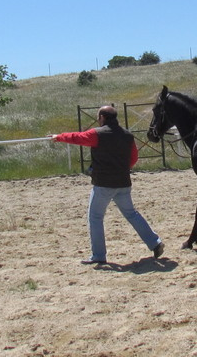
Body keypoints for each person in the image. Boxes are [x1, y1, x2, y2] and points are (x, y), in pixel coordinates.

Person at [50, 105, 164, 265]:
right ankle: (155, 242)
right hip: (123, 182)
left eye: (98, 118)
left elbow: (77, 137)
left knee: (95, 217)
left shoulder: (97, 134)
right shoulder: (127, 135)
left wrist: (59, 136)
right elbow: (133, 158)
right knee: (132, 214)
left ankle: (99, 255)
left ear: (102, 117)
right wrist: (122, 169)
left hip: (103, 184)